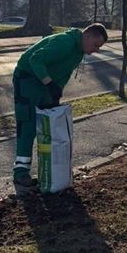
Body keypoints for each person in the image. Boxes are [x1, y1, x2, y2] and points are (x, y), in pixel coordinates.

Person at [11, 23, 108, 196]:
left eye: (99, 47)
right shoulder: (64, 43)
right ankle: (20, 173)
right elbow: (36, 59)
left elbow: (63, 73)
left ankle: (47, 171)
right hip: (27, 79)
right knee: (28, 124)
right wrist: (49, 83)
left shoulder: (79, 52)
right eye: (95, 45)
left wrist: (55, 95)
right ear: (86, 36)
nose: (96, 50)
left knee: (46, 125)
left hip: (42, 84)